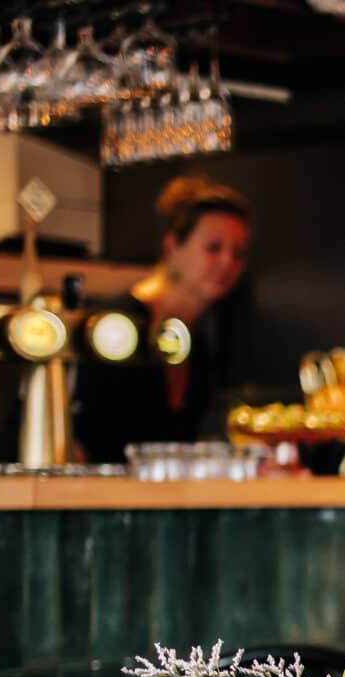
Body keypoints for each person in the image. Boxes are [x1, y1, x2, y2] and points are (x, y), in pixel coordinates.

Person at [72, 175, 251, 465]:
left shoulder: (198, 343)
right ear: (172, 247)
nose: (227, 263)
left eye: (239, 253)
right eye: (213, 248)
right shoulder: (116, 324)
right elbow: (77, 440)